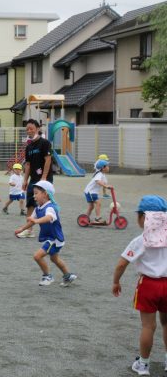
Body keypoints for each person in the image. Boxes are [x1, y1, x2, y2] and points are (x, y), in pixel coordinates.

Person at [112, 195, 167, 376]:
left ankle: (143, 364)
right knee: (166, 324)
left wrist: (116, 282)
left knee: (148, 327)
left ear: (144, 217)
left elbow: (121, 264)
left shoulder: (141, 240)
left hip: (148, 286)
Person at [15, 181, 77, 287]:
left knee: (37, 256)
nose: (34, 196)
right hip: (51, 238)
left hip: (54, 238)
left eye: (36, 193)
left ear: (45, 194)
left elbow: (48, 217)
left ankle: (47, 276)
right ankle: (68, 276)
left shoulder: (50, 207)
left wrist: (37, 221)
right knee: (54, 259)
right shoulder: (38, 208)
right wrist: (22, 229)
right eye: (33, 193)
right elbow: (32, 221)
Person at [18, 119, 54, 238]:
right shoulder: (29, 147)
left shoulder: (45, 143)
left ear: (37, 129)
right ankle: (29, 230)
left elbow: (48, 160)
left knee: (45, 204)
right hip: (33, 180)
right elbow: (27, 165)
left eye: (31, 128)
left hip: (44, 180)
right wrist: (25, 180)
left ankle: (50, 229)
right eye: (27, 129)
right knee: (30, 204)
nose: (29, 131)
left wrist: (43, 177)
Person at [83, 159, 112, 224]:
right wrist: (106, 186)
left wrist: (108, 186)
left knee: (91, 206)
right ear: (103, 168)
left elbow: (104, 182)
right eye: (107, 166)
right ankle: (97, 218)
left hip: (91, 192)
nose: (108, 167)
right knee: (98, 203)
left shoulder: (102, 174)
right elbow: (98, 181)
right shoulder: (99, 174)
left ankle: (85, 218)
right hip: (90, 192)